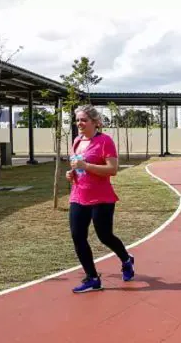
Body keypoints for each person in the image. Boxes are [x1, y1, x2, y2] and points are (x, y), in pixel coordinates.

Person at [66, 104, 135, 293]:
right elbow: (78, 166)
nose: (79, 123)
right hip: (78, 195)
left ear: (95, 122)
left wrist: (86, 166)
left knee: (105, 236)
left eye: (84, 120)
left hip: (101, 197)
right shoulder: (77, 141)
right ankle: (92, 278)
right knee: (77, 236)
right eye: (78, 120)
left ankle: (126, 259)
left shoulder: (105, 141)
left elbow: (112, 170)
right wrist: (72, 173)